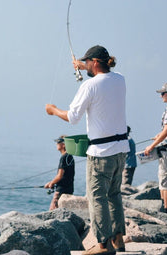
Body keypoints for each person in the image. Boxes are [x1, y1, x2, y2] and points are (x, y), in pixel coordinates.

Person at [45, 45, 129, 255]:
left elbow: (73, 118)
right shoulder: (120, 79)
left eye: (88, 62)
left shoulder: (89, 87)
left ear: (95, 62)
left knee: (97, 197)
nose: (86, 66)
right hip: (121, 150)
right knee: (114, 194)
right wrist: (83, 66)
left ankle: (103, 246)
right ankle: (118, 239)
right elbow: (101, 76)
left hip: (101, 153)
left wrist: (53, 110)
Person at [144, 82, 167, 215]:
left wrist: (151, 146)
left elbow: (166, 131)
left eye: (163, 93)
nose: (161, 96)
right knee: (163, 179)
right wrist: (159, 136)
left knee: (165, 182)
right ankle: (164, 209)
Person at [45, 136, 75, 210]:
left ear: (64, 145)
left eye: (58, 142)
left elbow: (60, 175)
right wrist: (52, 183)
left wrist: (51, 183)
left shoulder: (64, 157)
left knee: (53, 209)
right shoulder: (70, 156)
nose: (56, 144)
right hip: (69, 188)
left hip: (61, 189)